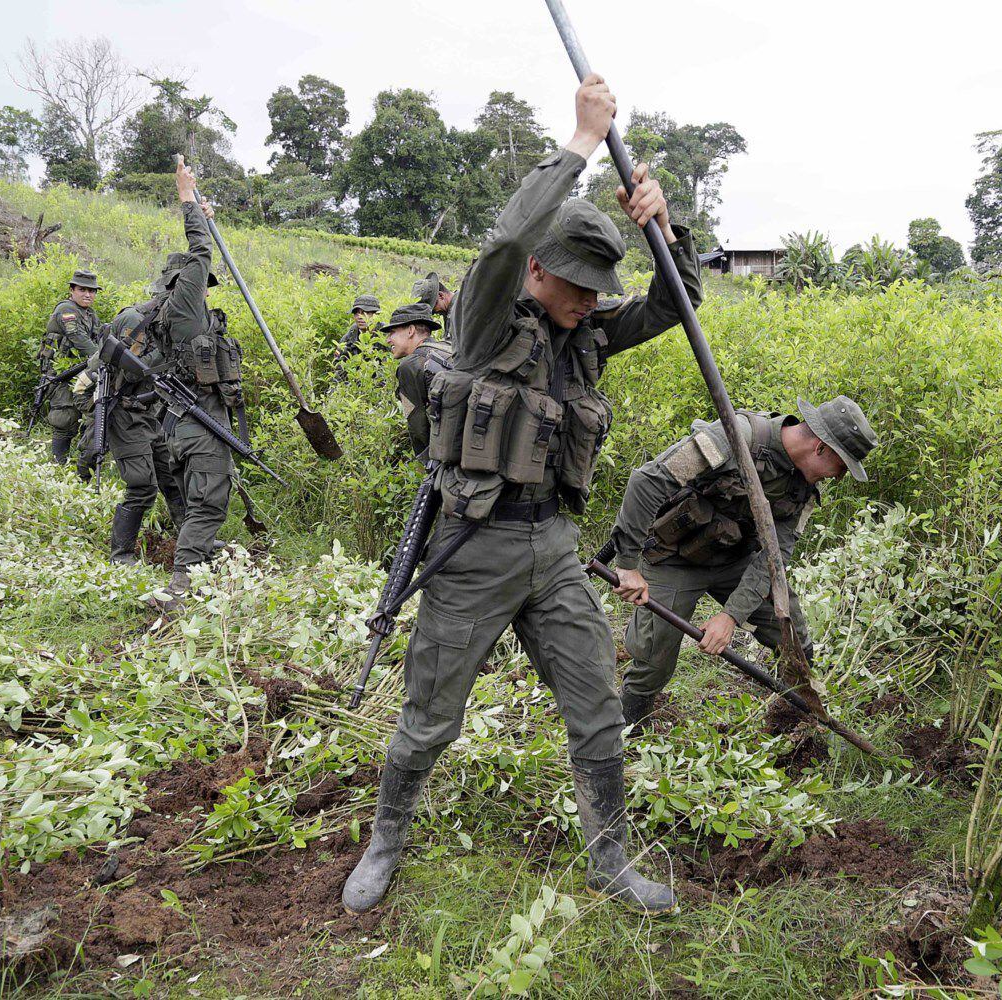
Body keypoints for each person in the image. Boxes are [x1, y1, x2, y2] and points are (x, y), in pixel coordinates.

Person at [342, 73, 702, 918]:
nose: (586, 302)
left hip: (553, 552)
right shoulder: (484, 320)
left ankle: (609, 858)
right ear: (540, 271)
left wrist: (663, 229)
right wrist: (579, 144)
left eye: (595, 290)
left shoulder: (587, 334)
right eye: (575, 284)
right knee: (430, 718)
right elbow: (502, 240)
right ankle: (385, 840)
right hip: (474, 551)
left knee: (598, 710)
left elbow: (675, 306)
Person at [607, 396, 878, 725]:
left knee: (793, 636)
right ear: (820, 448)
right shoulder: (734, 437)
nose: (838, 477)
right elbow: (646, 481)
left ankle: (795, 723)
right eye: (841, 467)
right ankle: (624, 732)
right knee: (653, 661)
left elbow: (774, 558)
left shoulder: (803, 489)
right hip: (672, 559)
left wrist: (731, 616)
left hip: (733, 562)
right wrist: (627, 564)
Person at [145, 156, 241, 610]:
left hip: (184, 423)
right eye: (202, 282)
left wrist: (203, 213)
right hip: (198, 425)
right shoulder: (184, 306)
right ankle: (180, 586)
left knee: (195, 499)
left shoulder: (179, 313)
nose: (207, 287)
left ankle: (198, 561)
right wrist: (188, 201)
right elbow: (201, 252)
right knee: (208, 504)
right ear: (185, 282)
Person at [88, 264, 189, 564]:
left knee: (171, 478)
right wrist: (166, 353)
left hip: (148, 414)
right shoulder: (137, 320)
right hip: (124, 414)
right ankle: (120, 555)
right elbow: (132, 374)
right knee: (142, 486)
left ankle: (190, 541)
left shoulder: (163, 324)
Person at [38, 270, 104, 464]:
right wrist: (101, 358)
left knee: (87, 413)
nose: (88, 295)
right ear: (72, 290)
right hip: (61, 373)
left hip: (80, 371)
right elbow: (79, 339)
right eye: (82, 289)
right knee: (64, 416)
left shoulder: (89, 314)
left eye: (92, 291)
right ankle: (58, 462)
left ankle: (79, 460)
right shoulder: (66, 310)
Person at [383, 302, 450, 457]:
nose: (388, 340)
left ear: (411, 330)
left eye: (392, 332)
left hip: (447, 455)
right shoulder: (448, 348)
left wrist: (426, 466)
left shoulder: (410, 366)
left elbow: (418, 427)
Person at [333, 293, 383, 379]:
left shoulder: (385, 336)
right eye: (357, 313)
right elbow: (338, 368)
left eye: (365, 313)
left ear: (376, 315)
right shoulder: (348, 337)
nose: (360, 317)